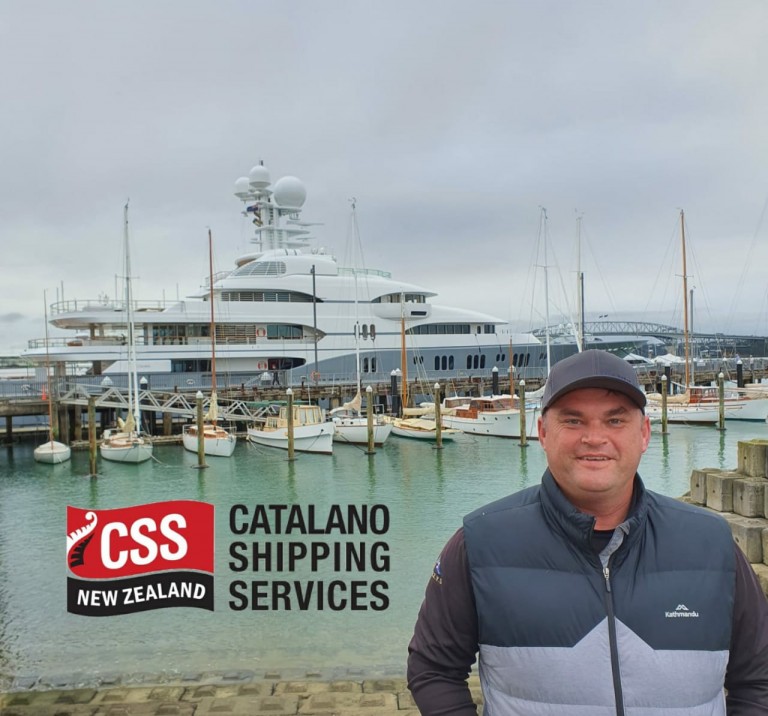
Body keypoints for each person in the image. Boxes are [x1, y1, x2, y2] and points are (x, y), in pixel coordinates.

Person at [407, 349, 768, 714]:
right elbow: (433, 669)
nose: (594, 438)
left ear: (644, 434)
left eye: (615, 421)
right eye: (574, 421)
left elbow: (758, 676)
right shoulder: (481, 543)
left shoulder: (710, 544)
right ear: (543, 433)